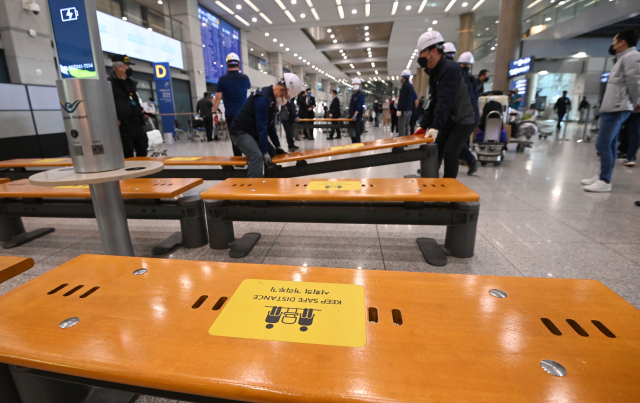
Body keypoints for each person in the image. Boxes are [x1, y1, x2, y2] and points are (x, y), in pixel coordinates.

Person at [582, 29, 640, 192]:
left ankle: (605, 181)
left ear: (622, 42)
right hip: (612, 107)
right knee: (611, 143)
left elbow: (635, 82)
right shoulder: (622, 58)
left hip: (617, 107)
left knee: (603, 143)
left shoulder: (632, 57)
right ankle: (603, 175)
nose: (612, 45)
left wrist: (636, 101)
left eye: (614, 41)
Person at [412, 30, 476, 179]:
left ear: (433, 51)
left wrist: (435, 127)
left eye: (421, 53)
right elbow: (432, 100)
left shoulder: (450, 69)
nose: (419, 57)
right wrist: (424, 125)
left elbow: (445, 101)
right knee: (437, 149)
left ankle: (448, 191)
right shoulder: (434, 72)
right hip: (451, 118)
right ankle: (431, 182)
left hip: (464, 118)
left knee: (450, 152)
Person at [230, 73, 301, 178]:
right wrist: (264, 152)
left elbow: (270, 126)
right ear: (282, 90)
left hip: (252, 132)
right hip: (240, 132)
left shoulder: (271, 99)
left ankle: (268, 182)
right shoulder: (263, 99)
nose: (286, 100)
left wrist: (277, 146)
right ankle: (253, 188)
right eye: (287, 96)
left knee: (272, 153)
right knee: (257, 156)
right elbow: (262, 128)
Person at [109, 54, 148, 158]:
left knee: (142, 149)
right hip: (124, 124)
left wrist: (141, 111)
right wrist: (115, 118)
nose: (130, 69)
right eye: (128, 66)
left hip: (137, 123)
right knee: (127, 153)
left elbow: (134, 100)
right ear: (119, 67)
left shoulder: (130, 83)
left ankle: (144, 173)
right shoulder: (109, 84)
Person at [212, 53, 251, 154]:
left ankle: (238, 160)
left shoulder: (222, 79)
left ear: (227, 65)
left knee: (235, 137)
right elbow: (247, 89)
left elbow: (217, 97)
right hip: (244, 113)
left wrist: (214, 111)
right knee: (246, 135)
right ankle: (250, 157)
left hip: (230, 113)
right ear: (239, 65)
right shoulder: (245, 78)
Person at [457, 51, 481, 175]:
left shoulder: (461, 79)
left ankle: (471, 160)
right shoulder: (473, 80)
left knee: (456, 141)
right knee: (457, 141)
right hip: (471, 116)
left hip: (465, 116)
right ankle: (470, 161)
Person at [396, 70, 415, 137]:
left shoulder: (404, 86)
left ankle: (401, 142)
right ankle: (406, 141)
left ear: (403, 77)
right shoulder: (411, 86)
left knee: (402, 126)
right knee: (406, 126)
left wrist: (399, 109)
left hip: (404, 110)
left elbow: (402, 99)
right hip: (409, 110)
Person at [349, 77, 365, 143]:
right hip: (352, 115)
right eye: (353, 84)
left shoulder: (361, 95)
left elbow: (359, 105)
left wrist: (355, 114)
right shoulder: (353, 94)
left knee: (357, 129)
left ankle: (358, 142)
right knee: (351, 129)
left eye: (356, 84)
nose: (354, 85)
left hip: (357, 116)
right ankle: (353, 142)